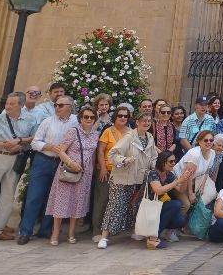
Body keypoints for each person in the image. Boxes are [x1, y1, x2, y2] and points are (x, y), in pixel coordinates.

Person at [18, 94, 78, 244]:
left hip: (61, 163)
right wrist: (49, 146)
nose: (56, 107)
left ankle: (45, 230)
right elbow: (35, 142)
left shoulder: (76, 122)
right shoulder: (47, 121)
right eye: (55, 105)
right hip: (43, 160)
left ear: (70, 107)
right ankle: (25, 231)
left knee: (54, 198)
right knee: (34, 197)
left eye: (60, 105)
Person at [97, 113, 158, 249]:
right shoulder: (129, 137)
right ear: (137, 122)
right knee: (115, 206)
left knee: (135, 206)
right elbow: (112, 153)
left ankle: (135, 231)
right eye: (144, 120)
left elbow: (154, 155)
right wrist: (124, 160)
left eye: (149, 121)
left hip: (140, 179)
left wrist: (153, 167)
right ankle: (104, 237)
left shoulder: (150, 137)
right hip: (122, 178)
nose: (147, 123)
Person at [46, 105, 99, 245]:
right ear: (80, 118)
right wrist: (71, 163)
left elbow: (93, 154)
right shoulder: (73, 132)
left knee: (77, 202)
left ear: (95, 119)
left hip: (85, 173)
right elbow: (60, 150)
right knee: (61, 202)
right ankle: (55, 233)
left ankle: (71, 232)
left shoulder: (95, 134)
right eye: (86, 117)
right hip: (68, 171)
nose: (88, 119)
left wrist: (92, 171)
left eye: (91, 117)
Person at [0, 92, 37, 241]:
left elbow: (34, 138)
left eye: (12, 104)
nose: (8, 106)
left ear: (21, 105)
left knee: (8, 195)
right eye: (7, 103)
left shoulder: (30, 120)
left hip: (15, 160)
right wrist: (5, 144)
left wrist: (19, 143)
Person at [92, 106, 132, 241]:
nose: (122, 118)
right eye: (120, 115)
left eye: (125, 116)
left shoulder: (131, 133)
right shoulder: (108, 131)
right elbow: (100, 151)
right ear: (115, 117)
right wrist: (102, 168)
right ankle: (97, 231)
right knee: (102, 200)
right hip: (107, 171)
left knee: (117, 202)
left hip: (122, 172)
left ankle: (112, 230)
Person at [147, 151, 189, 248]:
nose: (174, 163)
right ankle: (152, 238)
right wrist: (177, 181)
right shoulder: (153, 173)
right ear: (163, 162)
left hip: (159, 206)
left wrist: (185, 178)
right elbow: (158, 191)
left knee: (180, 220)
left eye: (175, 161)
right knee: (176, 204)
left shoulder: (169, 174)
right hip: (148, 206)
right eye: (171, 161)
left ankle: (157, 233)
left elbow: (180, 190)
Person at [172, 129, 216, 217]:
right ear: (199, 142)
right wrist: (190, 193)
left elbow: (207, 171)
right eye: (205, 140)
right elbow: (188, 175)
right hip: (178, 179)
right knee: (187, 204)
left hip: (194, 179)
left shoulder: (212, 153)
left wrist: (202, 186)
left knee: (208, 195)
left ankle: (190, 220)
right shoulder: (195, 154)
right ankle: (177, 223)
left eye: (211, 140)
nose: (209, 142)